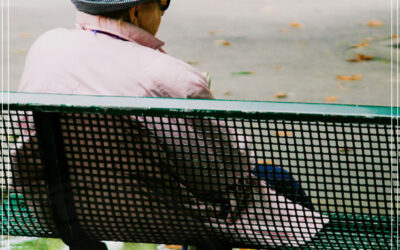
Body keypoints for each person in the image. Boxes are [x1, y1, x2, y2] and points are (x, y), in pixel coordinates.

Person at [15, 0, 329, 247]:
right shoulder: (171, 77)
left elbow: (27, 127)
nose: (163, 12)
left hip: (60, 208)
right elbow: (226, 173)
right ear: (138, 12)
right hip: (162, 214)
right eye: (163, 2)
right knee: (274, 177)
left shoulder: (48, 46)